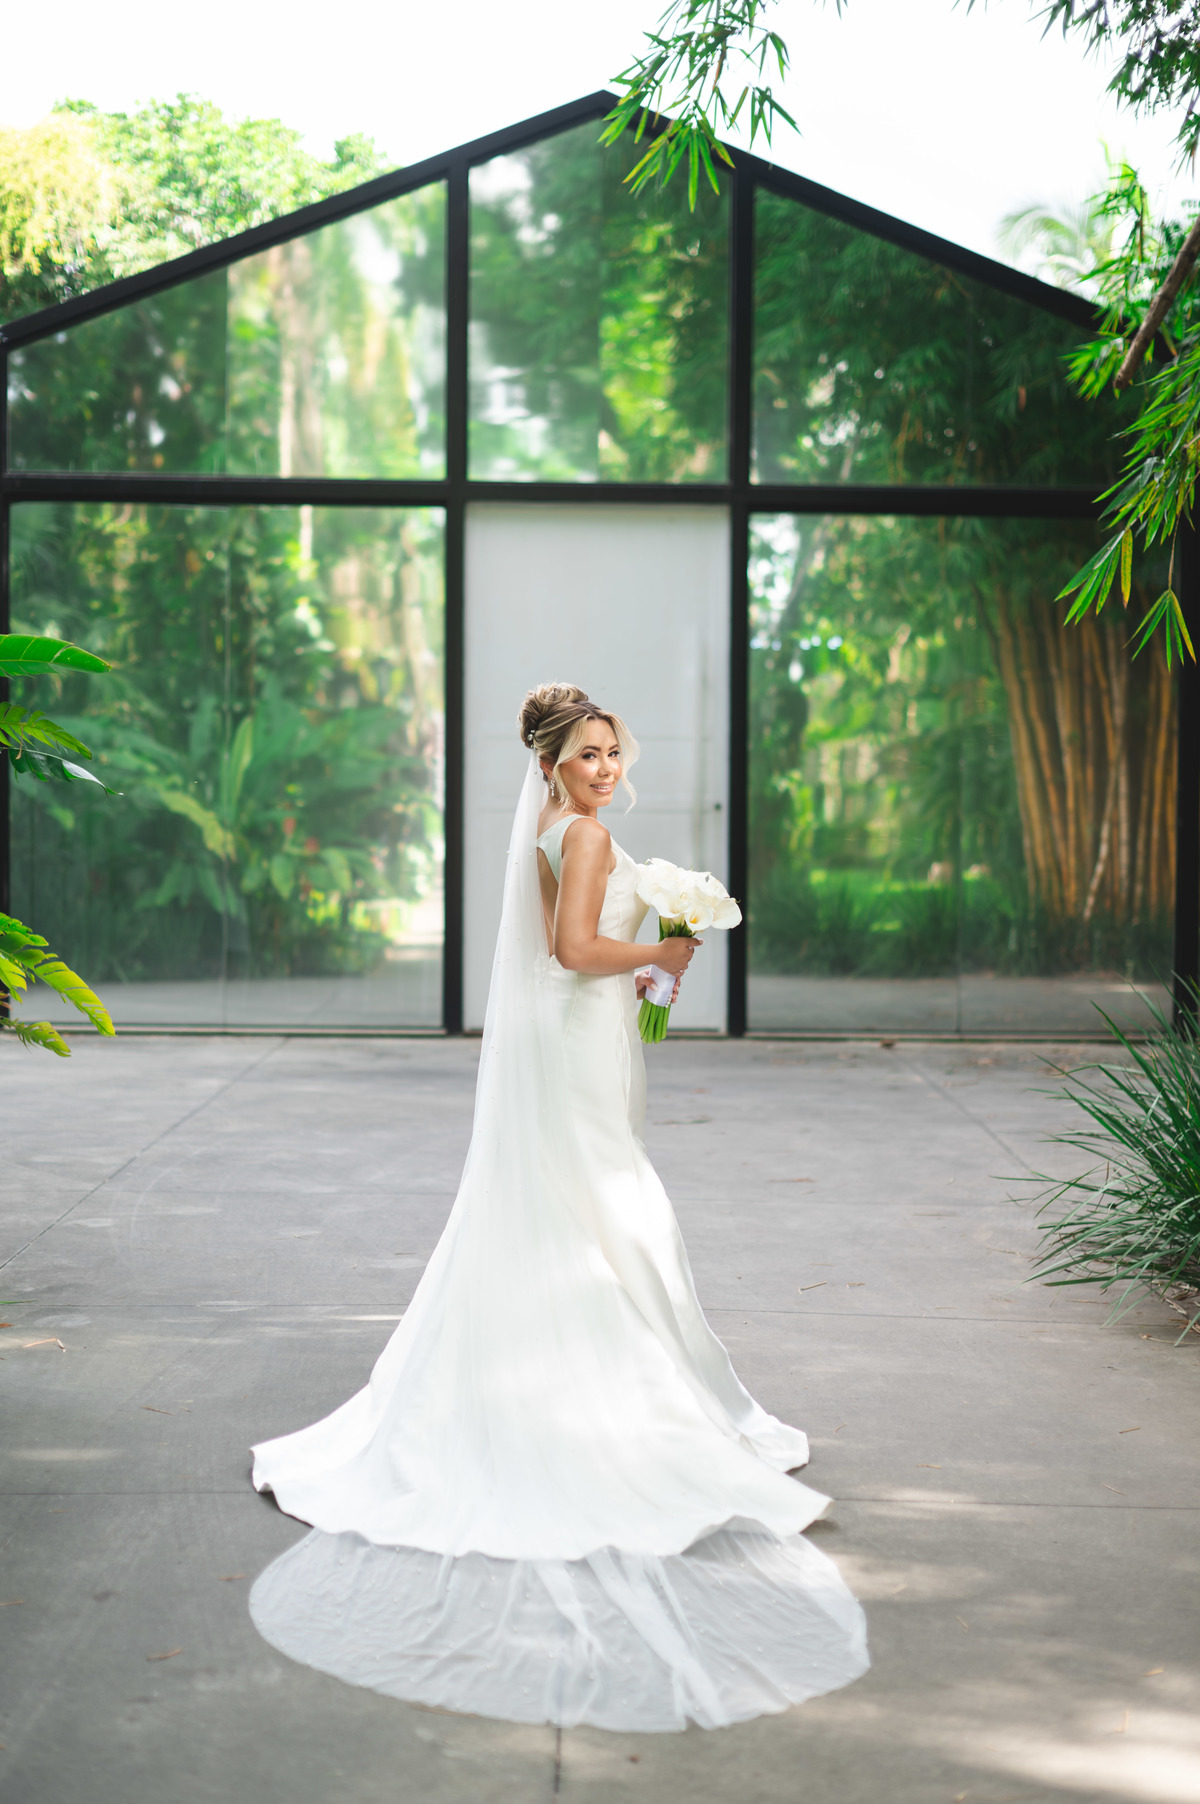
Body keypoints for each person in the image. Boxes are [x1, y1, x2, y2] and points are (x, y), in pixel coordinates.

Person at [248, 684, 868, 1732]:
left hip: (581, 1037)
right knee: (610, 1205)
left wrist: (648, 967)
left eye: (615, 751)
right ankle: (626, 1398)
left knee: (583, 1202)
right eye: (587, 754)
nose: (606, 769)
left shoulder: (551, 828)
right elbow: (572, 953)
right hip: (578, 1038)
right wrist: (664, 953)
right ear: (550, 764)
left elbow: (566, 953)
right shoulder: (578, 835)